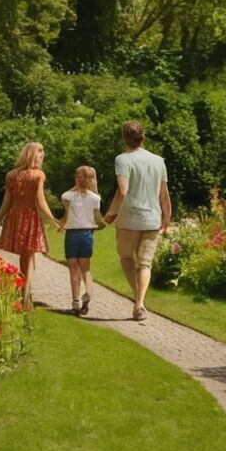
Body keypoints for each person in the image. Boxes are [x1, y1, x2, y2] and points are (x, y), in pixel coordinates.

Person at [103, 121, 170, 322]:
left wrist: (109, 214)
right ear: (143, 137)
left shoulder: (123, 160)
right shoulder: (158, 161)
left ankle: (138, 301)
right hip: (151, 219)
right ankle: (140, 303)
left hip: (129, 219)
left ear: (125, 138)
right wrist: (167, 217)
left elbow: (122, 192)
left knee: (126, 258)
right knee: (145, 264)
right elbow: (164, 194)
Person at [0, 142, 59, 309]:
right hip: (29, 217)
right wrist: (53, 219)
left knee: (27, 256)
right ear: (34, 155)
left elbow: (6, 202)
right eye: (40, 154)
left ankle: (26, 290)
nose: (42, 157)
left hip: (14, 216)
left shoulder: (12, 175)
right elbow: (40, 200)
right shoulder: (37, 175)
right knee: (28, 256)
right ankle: (25, 296)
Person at [59, 165, 106, 316]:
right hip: (87, 234)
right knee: (86, 269)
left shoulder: (67, 196)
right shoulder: (95, 198)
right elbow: (98, 218)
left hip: (72, 234)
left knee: (73, 269)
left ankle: (75, 302)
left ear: (76, 179)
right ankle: (88, 294)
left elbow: (66, 215)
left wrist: (61, 226)